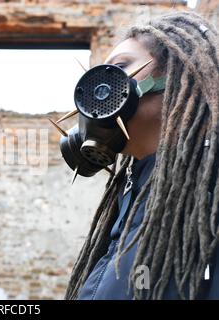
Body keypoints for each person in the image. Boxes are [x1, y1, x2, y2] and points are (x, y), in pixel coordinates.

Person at [64, 11, 219, 300]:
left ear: (180, 73)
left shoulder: (210, 196)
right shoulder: (128, 201)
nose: (100, 86)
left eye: (120, 66)